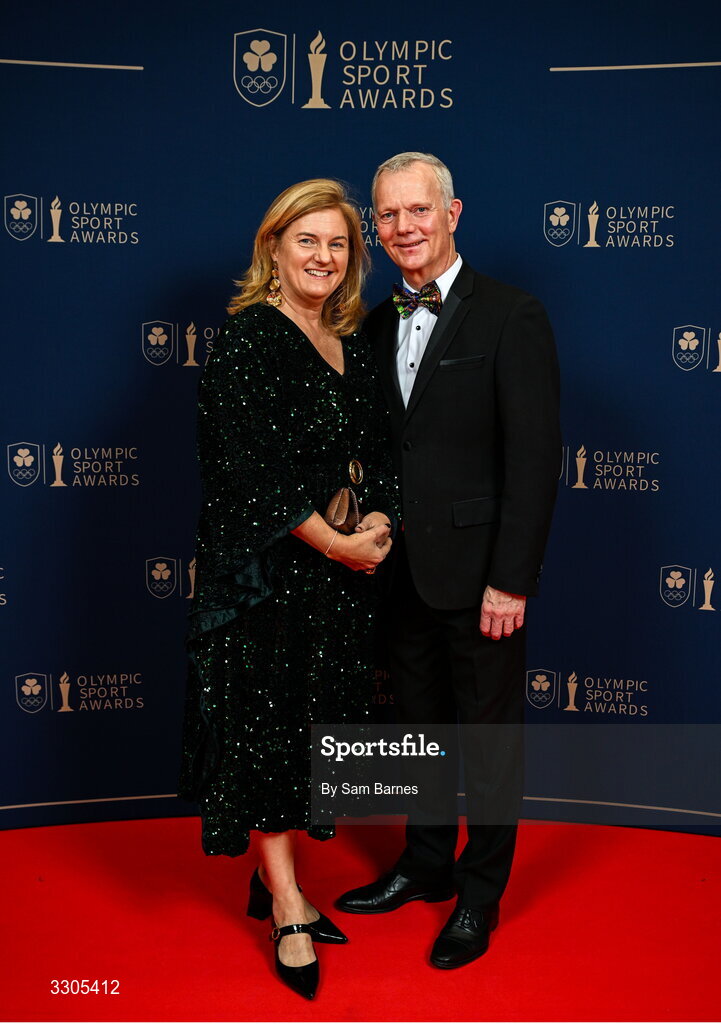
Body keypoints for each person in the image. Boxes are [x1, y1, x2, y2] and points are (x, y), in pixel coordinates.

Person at [337, 153, 561, 968]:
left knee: (488, 741)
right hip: (397, 572)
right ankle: (424, 865)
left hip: (481, 580)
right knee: (413, 730)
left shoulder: (511, 315)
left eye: (417, 212)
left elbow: (535, 460)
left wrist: (511, 577)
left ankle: (478, 895)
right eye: (387, 216)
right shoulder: (367, 323)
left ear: (453, 212)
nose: (403, 229)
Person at [179, 179, 397, 999]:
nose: (323, 257)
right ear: (273, 247)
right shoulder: (249, 342)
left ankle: (270, 880)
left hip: (334, 584)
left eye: (338, 244)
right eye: (306, 240)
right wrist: (338, 542)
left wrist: (378, 517)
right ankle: (288, 905)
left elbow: (379, 451)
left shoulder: (348, 341)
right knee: (270, 737)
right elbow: (247, 477)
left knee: (307, 732)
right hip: (270, 579)